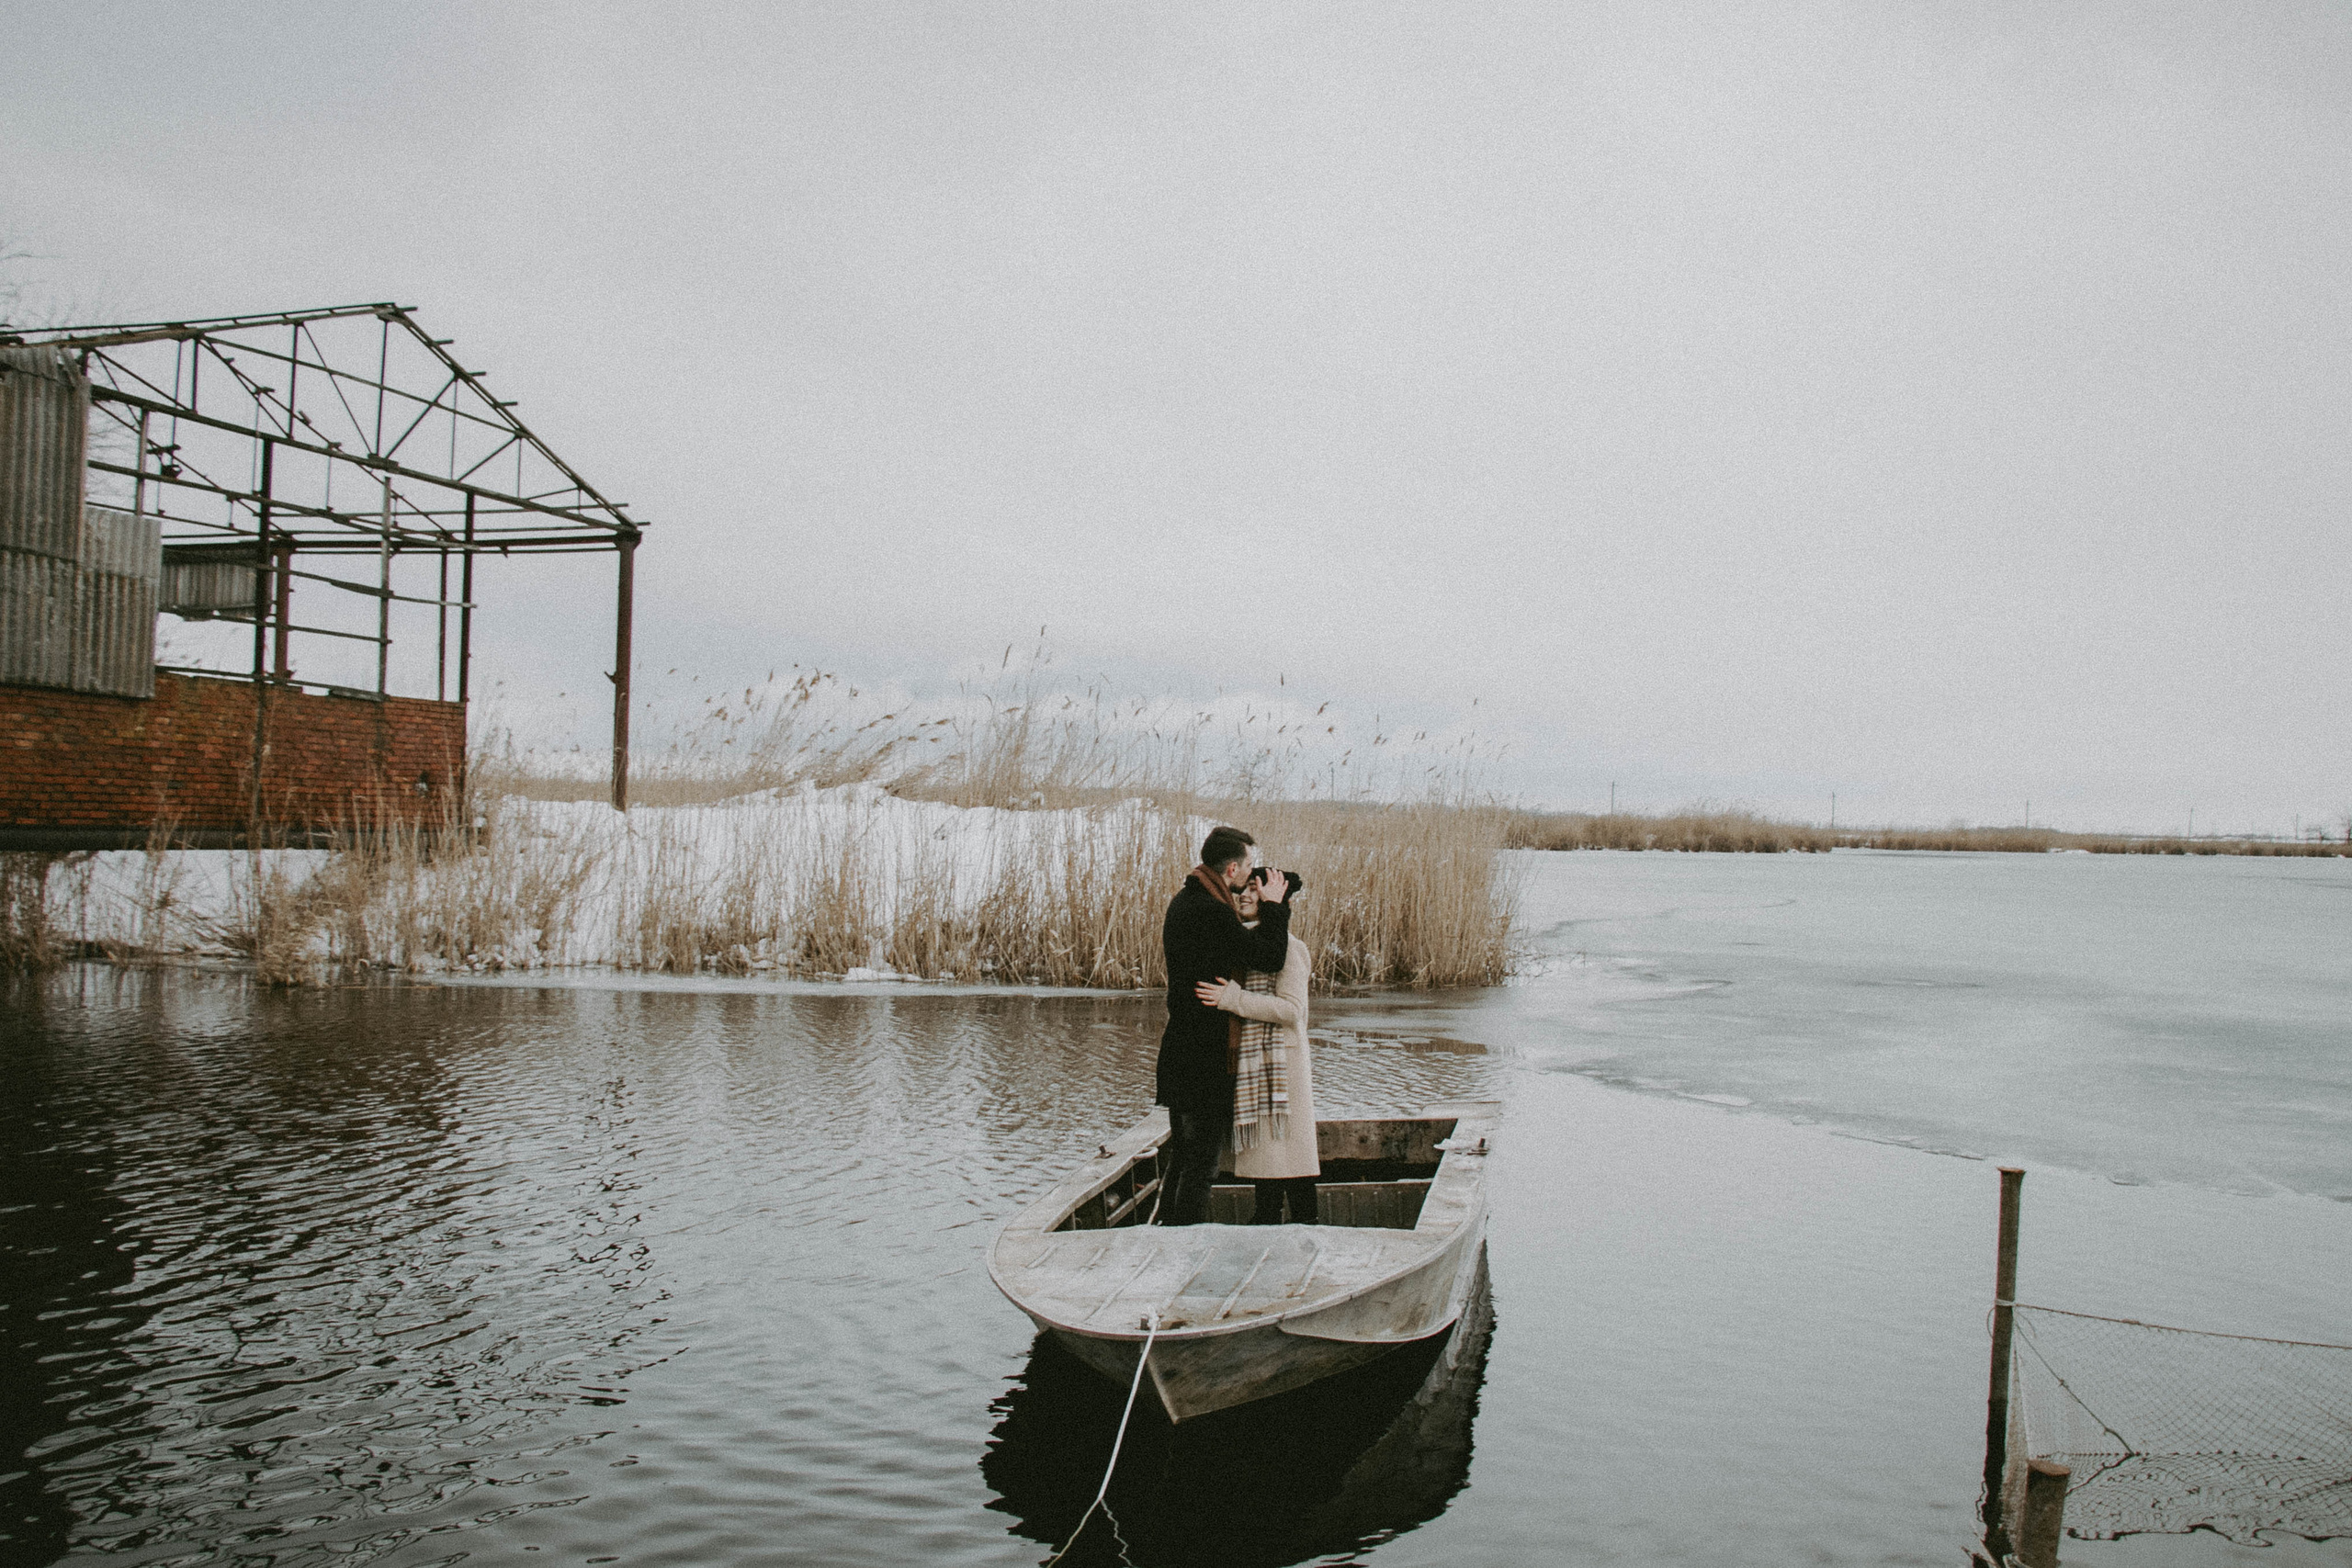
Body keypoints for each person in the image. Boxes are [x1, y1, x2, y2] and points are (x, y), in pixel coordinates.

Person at [1157, 825, 1291, 1224]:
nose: (1252, 874)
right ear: (1232, 868)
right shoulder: (1211, 911)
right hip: (1204, 1058)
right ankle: (1182, 1245)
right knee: (1201, 1165)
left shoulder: (1185, 901)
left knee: (1183, 1158)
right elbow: (1269, 956)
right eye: (1249, 865)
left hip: (1181, 1051)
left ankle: (1165, 1235)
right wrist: (1275, 905)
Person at [1196, 876, 1318, 1223]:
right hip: (1257, 1063)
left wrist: (1234, 999)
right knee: (1270, 1160)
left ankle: (1308, 1228)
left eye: (1254, 889)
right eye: (1244, 888)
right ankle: (1266, 1221)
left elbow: (1291, 1011)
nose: (1244, 895)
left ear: (1271, 898)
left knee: (1292, 1161)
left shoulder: (1291, 948)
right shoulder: (1248, 944)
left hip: (1283, 1067)